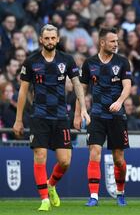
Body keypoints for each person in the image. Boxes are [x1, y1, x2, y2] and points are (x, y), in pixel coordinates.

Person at [13, 24, 90, 211]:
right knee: (40, 156)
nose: (49, 41)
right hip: (39, 115)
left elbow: (77, 84)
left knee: (65, 161)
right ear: (41, 39)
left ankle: (51, 184)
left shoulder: (67, 60)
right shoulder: (31, 62)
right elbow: (23, 92)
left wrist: (83, 109)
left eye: (52, 38)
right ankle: (44, 199)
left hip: (60, 116)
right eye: (46, 38)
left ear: (57, 39)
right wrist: (18, 119)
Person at [73, 27, 132, 207]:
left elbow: (127, 86)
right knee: (94, 153)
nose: (116, 44)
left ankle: (120, 193)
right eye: (113, 41)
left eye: (117, 41)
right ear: (102, 42)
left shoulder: (122, 62)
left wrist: (120, 101)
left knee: (118, 158)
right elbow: (81, 90)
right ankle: (94, 196)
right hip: (96, 115)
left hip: (117, 115)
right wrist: (77, 115)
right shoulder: (89, 63)